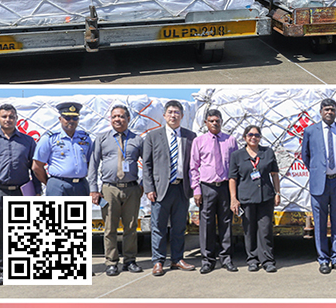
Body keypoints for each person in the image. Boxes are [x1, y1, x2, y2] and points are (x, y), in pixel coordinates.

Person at [0, 103, 41, 286]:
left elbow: (35, 168)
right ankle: (1, 271)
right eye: (4, 116)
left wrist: (37, 192)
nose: (8, 119)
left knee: (23, 231)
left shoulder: (28, 141)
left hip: (22, 191)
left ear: (16, 118)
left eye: (11, 116)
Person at [142, 99, 198, 276]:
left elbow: (195, 163)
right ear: (164, 115)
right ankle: (158, 261)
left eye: (177, 112)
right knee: (158, 227)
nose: (173, 115)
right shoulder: (153, 136)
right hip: (160, 189)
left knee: (179, 227)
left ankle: (177, 259)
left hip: (181, 188)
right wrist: (149, 188)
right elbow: (147, 164)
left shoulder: (190, 136)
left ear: (182, 116)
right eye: (170, 112)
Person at [87, 104, 144, 276]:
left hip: (131, 189)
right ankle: (111, 262)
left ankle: (130, 260)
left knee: (131, 227)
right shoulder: (102, 139)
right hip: (109, 189)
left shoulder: (137, 140)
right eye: (114, 116)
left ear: (128, 119)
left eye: (121, 116)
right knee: (109, 228)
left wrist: (143, 185)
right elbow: (93, 164)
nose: (117, 119)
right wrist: (93, 189)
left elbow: (148, 164)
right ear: (110, 119)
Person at [302, 97, 336, 274]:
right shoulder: (310, 131)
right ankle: (323, 259)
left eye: (332, 109)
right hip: (319, 184)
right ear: (321, 112)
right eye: (326, 109)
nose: (329, 112)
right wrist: (318, 172)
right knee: (320, 223)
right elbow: (305, 155)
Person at [190, 108, 240, 274]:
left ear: (221, 122)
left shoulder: (230, 141)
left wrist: (235, 193)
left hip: (225, 186)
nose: (214, 123)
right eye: (211, 121)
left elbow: (235, 167)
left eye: (217, 121)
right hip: (207, 187)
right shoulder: (199, 141)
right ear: (206, 123)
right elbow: (193, 167)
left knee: (226, 223)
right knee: (207, 225)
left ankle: (226, 259)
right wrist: (196, 189)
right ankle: (207, 260)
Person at [229, 125, 280, 272]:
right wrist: (233, 199)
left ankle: (267, 260)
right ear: (245, 137)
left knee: (265, 229)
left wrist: (277, 192)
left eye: (257, 135)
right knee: (249, 230)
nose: (253, 137)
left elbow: (274, 174)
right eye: (250, 135)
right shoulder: (237, 155)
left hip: (265, 197)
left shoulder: (268, 152)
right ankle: (252, 259)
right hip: (246, 198)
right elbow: (232, 178)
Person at [33, 102, 93, 196]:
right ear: (60, 119)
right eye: (67, 118)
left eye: (75, 118)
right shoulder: (50, 138)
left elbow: (90, 162)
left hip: (81, 185)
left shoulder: (85, 138)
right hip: (58, 185)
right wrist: (50, 183)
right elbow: (37, 166)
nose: (71, 121)